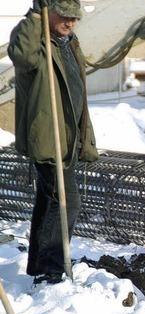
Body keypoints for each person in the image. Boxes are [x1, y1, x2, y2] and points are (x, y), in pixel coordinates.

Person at [8, 0, 99, 284]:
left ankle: (43, 266)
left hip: (68, 136)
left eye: (75, 18)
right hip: (49, 137)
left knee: (50, 201)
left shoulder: (68, 42)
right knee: (66, 201)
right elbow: (22, 56)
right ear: (49, 13)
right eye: (65, 16)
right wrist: (35, 15)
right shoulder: (37, 43)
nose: (71, 22)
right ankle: (51, 269)